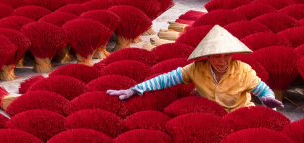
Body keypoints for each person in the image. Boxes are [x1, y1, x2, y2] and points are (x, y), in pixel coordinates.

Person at [107, 25, 284, 112]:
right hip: (212, 117)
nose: (223, 61)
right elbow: (166, 79)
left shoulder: (244, 71)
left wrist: (268, 99)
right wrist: (135, 89)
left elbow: (264, 91)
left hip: (241, 117)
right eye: (217, 56)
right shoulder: (196, 69)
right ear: (207, 57)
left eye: (227, 55)